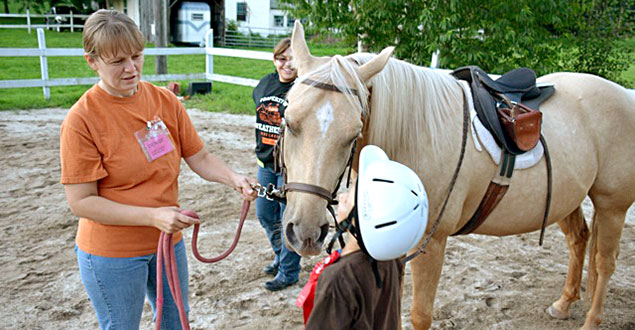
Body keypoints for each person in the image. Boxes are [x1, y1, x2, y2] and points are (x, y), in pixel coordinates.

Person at [59, 9, 256, 330]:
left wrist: (235, 179)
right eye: (117, 61)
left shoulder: (165, 101)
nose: (130, 68)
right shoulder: (81, 120)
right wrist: (153, 216)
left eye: (136, 56)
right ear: (92, 61)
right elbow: (81, 202)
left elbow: (199, 157)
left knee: (176, 321)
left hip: (168, 241)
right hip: (113, 253)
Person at [298, 145, 429, 329]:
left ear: (364, 217)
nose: (341, 197)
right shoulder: (389, 260)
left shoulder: (338, 279)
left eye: (350, 195)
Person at [252, 37, 302, 291]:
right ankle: (280, 253)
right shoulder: (265, 84)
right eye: (282, 58)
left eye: (292, 58)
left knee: (287, 218)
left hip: (289, 166)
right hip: (265, 164)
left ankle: (289, 271)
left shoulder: (302, 89)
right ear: (275, 60)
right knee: (264, 213)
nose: (287, 64)